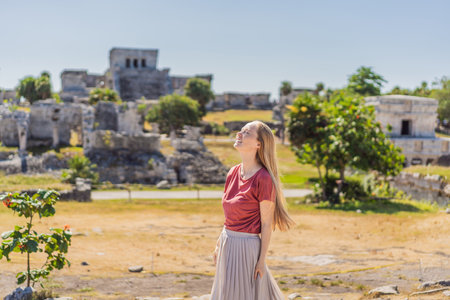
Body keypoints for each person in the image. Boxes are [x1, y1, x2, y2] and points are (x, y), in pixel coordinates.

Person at [210, 120, 295, 300]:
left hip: (246, 248)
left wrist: (261, 260)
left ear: (259, 144)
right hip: (227, 242)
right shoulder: (232, 172)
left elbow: (266, 223)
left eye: (247, 132)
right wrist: (219, 244)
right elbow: (229, 217)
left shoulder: (263, 178)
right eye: (240, 130)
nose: (239, 134)